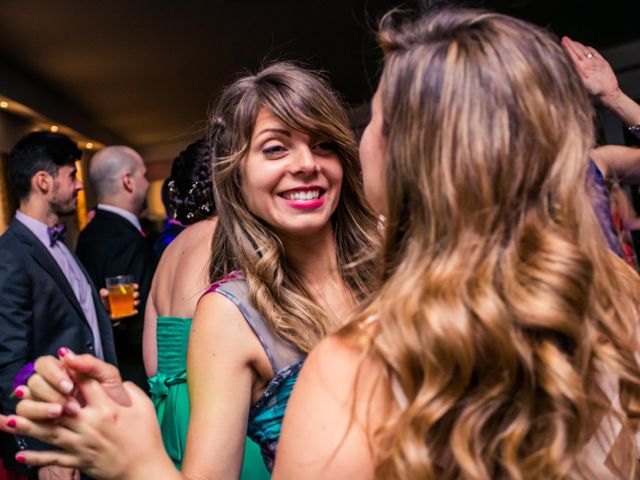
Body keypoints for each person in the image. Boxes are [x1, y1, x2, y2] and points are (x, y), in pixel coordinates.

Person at [1, 62, 380, 479]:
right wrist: (134, 457)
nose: (307, 162)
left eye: (325, 143)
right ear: (236, 176)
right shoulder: (230, 312)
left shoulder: (392, 267)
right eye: (275, 148)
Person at [143, 138, 268, 478]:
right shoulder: (236, 240)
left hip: (168, 415)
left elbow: (153, 362)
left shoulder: (168, 252)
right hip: (226, 410)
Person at [0, 132, 117, 480]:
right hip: (58, 443)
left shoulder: (63, 244)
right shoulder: (9, 256)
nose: (80, 186)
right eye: (71, 176)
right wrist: (43, 451)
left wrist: (97, 311)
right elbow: (9, 368)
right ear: (43, 182)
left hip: (91, 426)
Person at [75, 146, 157, 393]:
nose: (147, 184)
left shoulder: (89, 233)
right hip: (133, 379)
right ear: (128, 181)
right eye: (144, 176)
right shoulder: (124, 240)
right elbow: (134, 324)